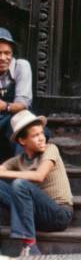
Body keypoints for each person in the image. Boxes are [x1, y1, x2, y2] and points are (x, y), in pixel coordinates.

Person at [0, 111, 73, 256]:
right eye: (35, 135)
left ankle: (29, 246)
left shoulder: (51, 149)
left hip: (58, 215)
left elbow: (39, 176)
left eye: (41, 134)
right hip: (35, 214)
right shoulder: (19, 160)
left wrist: (6, 174)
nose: (41, 139)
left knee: (19, 185)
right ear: (22, 141)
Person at [0, 28, 32, 162]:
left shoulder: (21, 66)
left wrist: (5, 106)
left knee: (22, 123)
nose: (2, 58)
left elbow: (22, 104)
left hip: (14, 118)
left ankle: (22, 173)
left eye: (7, 53)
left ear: (12, 54)